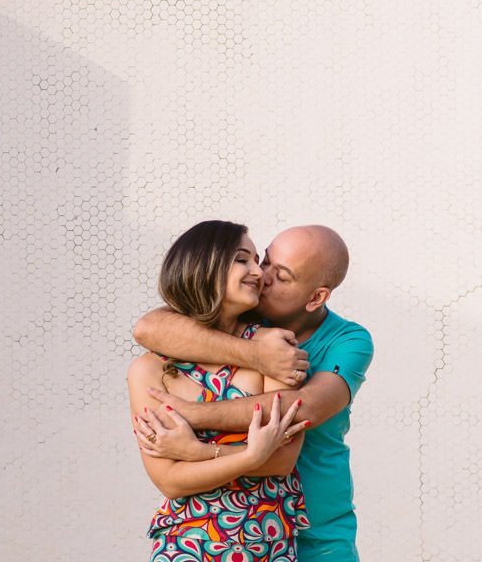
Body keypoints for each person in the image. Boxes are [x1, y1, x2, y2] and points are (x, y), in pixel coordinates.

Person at [134, 225, 374, 562]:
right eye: (265, 261)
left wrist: (191, 419)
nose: (262, 275)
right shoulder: (250, 321)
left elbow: (301, 409)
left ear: (316, 298)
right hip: (200, 535)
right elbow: (148, 328)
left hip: (318, 529)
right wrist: (258, 355)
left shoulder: (349, 341)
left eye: (282, 275)